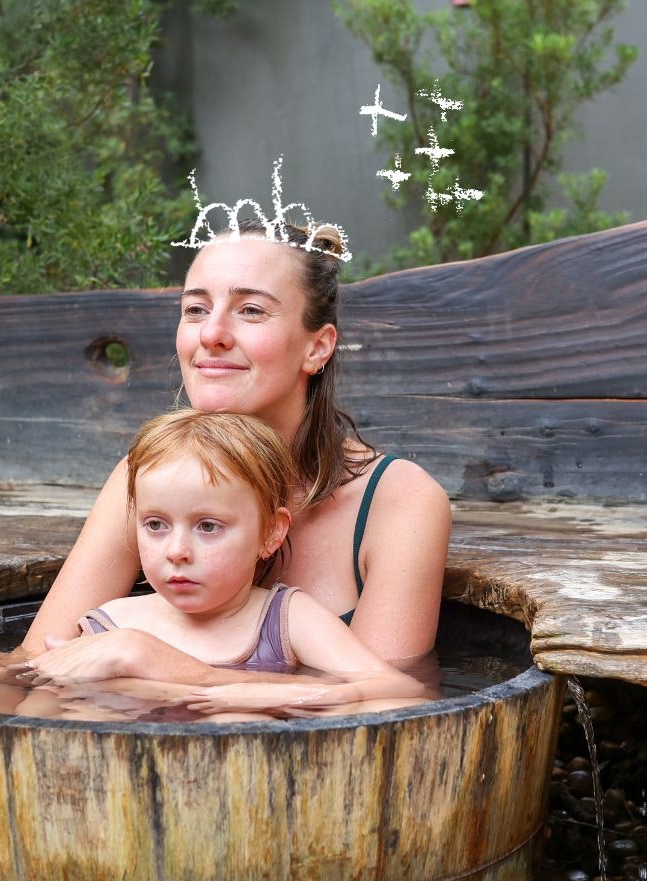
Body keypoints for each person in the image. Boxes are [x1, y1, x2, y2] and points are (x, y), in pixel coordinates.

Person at [22, 220, 451, 670]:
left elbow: (391, 709)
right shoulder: (149, 471)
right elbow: (36, 663)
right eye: (195, 310)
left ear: (317, 348)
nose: (212, 334)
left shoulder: (399, 502)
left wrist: (158, 662)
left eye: (250, 310)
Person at [0, 409, 426, 719]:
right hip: (124, 797)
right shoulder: (114, 622)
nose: (177, 550)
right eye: (155, 525)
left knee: (236, 724)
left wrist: (249, 693)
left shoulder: (286, 619)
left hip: (244, 801)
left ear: (271, 533)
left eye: (208, 526)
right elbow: (38, 714)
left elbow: (399, 692)